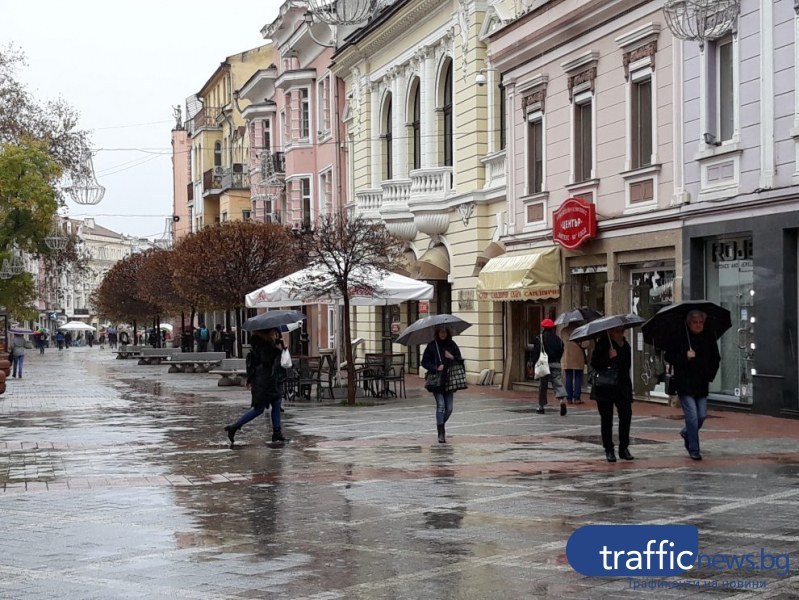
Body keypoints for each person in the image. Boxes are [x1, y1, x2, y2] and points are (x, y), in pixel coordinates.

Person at [665, 310, 721, 461]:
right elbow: (669, 356)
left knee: (701, 415)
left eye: (700, 322)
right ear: (689, 323)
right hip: (685, 383)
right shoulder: (680, 337)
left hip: (701, 384)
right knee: (692, 417)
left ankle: (686, 433)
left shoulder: (708, 337)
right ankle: (694, 449)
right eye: (694, 322)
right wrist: (685, 357)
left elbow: (716, 359)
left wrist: (710, 375)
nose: (698, 325)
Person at [224, 328, 288, 445]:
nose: (276, 335)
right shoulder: (265, 346)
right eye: (274, 332)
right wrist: (280, 349)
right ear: (268, 333)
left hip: (265, 381)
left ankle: (277, 432)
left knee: (276, 402)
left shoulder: (259, 344)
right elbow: (267, 360)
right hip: (265, 381)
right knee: (260, 408)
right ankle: (234, 427)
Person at [590, 326, 634, 462]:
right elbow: (595, 364)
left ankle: (624, 447)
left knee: (626, 416)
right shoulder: (602, 344)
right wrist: (608, 358)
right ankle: (609, 449)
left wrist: (618, 356)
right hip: (605, 387)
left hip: (622, 386)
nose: (620, 334)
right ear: (610, 332)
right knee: (607, 419)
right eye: (617, 331)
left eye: (622, 331)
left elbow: (627, 365)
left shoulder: (625, 345)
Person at [421, 326, 464, 444]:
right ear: (437, 333)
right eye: (441, 332)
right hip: (437, 381)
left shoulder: (452, 345)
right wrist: (435, 367)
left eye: (445, 332)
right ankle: (441, 433)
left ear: (448, 333)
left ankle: (440, 424)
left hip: (450, 380)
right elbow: (424, 362)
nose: (443, 334)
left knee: (449, 409)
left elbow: (460, 360)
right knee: (441, 406)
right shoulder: (432, 346)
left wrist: (452, 357)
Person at [530, 319, 568, 415]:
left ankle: (541, 406)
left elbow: (536, 352)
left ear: (543, 327)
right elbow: (561, 350)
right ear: (552, 328)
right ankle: (561, 400)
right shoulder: (558, 339)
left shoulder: (540, 338)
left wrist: (533, 363)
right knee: (558, 383)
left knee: (543, 386)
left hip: (544, 364)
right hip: (556, 363)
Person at [561, 324, 590, 405]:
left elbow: (563, 341)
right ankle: (577, 398)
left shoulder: (564, 331)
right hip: (578, 356)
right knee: (578, 377)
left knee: (568, 378)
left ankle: (569, 398)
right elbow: (586, 344)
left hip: (567, 356)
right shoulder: (581, 330)